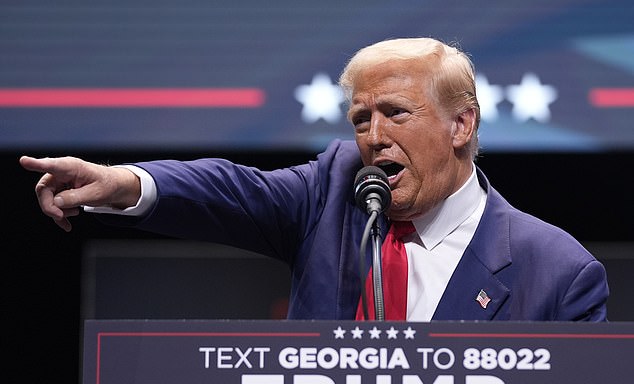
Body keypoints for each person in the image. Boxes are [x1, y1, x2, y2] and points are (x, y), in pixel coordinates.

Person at [20, 37, 609, 321]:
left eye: (395, 114)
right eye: (361, 119)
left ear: (461, 123)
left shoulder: (558, 273)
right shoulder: (333, 189)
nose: (373, 137)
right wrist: (124, 183)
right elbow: (230, 190)